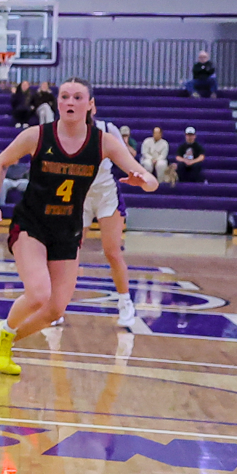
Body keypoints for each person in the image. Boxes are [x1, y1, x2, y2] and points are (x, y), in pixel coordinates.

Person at [0, 79, 157, 376]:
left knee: (55, 310)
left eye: (77, 97)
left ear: (90, 105)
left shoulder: (104, 142)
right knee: (38, 293)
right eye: (64, 96)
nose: (70, 102)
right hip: (31, 224)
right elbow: (0, 163)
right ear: (57, 103)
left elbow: (149, 180)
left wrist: (144, 181)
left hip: (68, 229)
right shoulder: (37, 135)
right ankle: (4, 333)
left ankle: (3, 339)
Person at [82, 103, 136, 327]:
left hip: (106, 194)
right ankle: (57, 306)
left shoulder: (107, 129)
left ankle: (125, 302)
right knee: (68, 252)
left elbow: (125, 159)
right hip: (77, 195)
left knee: (112, 251)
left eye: (79, 98)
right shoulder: (59, 131)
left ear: (91, 105)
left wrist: (137, 173)